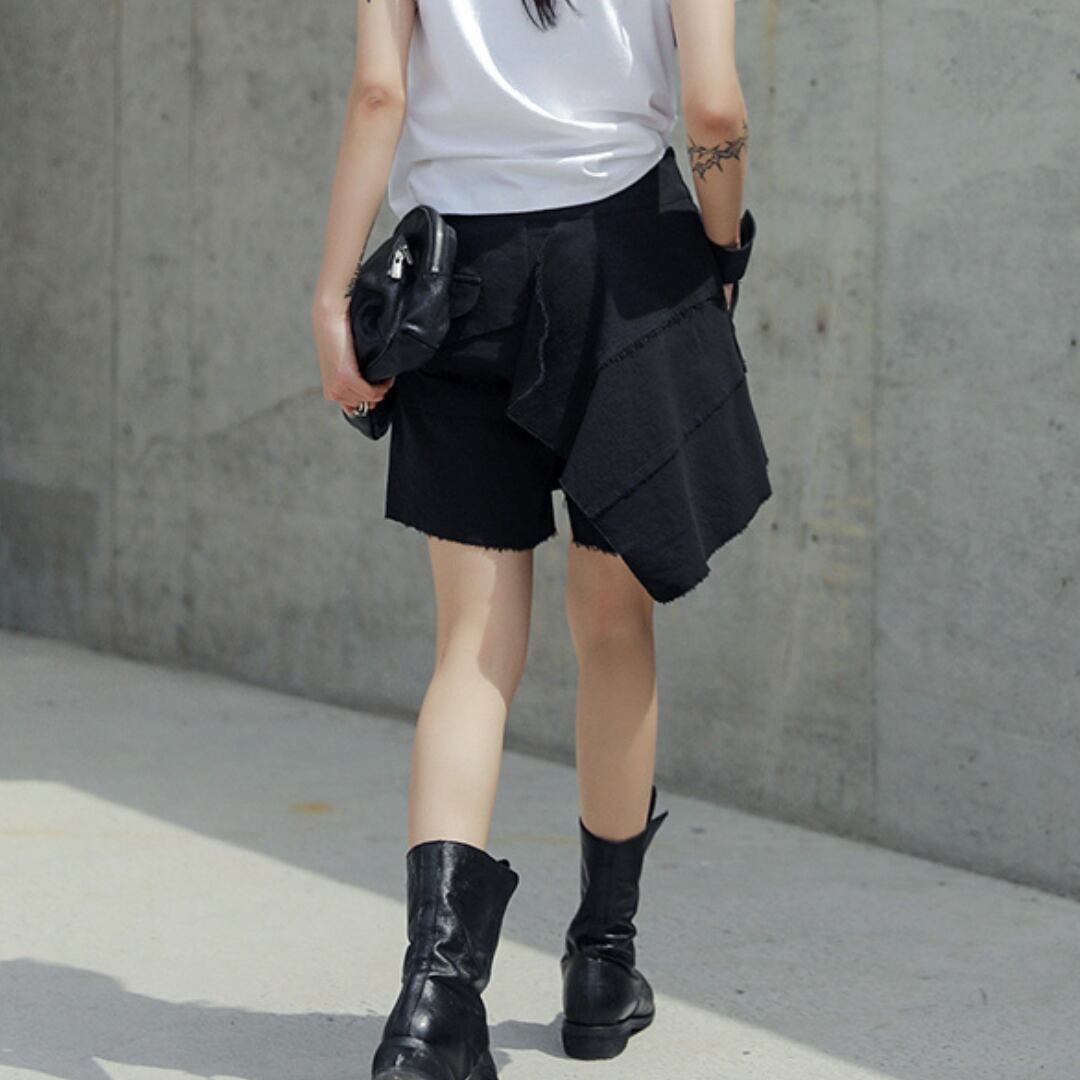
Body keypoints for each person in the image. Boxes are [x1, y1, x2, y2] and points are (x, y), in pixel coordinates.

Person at [310, 2, 770, 1077]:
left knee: (472, 646)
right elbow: (712, 106)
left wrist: (332, 296)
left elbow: (378, 95)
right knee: (613, 625)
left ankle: (433, 1003)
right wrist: (723, 245)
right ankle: (602, 966)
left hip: (456, 278)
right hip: (630, 267)